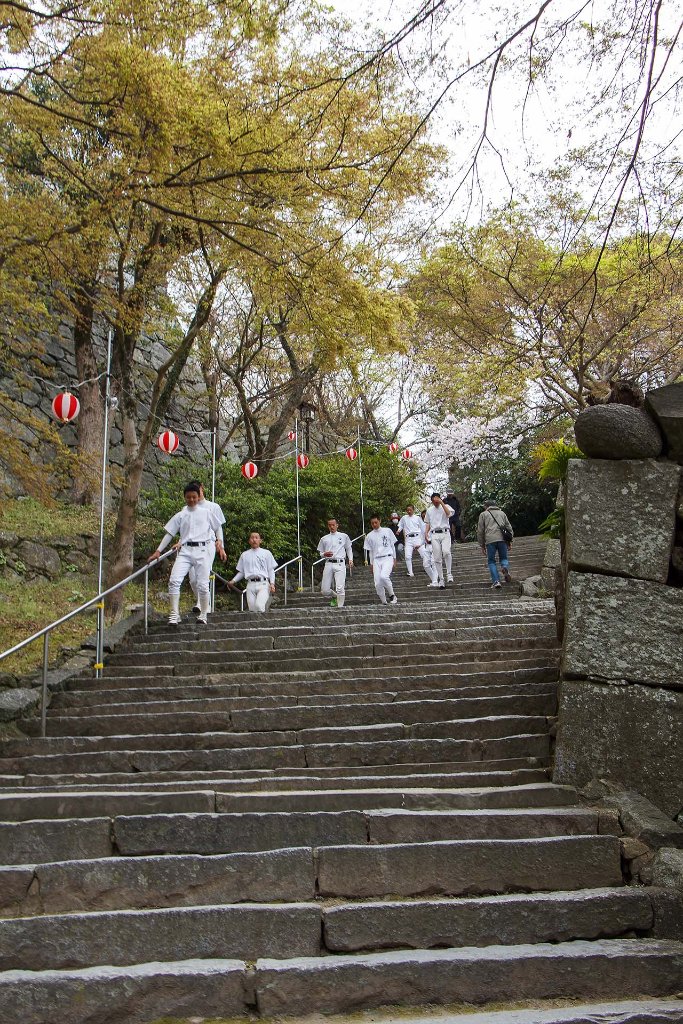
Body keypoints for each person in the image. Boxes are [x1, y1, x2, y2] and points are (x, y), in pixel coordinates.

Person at [147, 482, 223, 626]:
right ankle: (174, 614)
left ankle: (204, 614)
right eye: (188, 497)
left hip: (203, 550)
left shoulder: (207, 512)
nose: (191, 500)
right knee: (174, 580)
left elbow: (217, 527)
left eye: (194, 497)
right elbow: (169, 533)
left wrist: (219, 542)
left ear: (198, 496)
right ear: (185, 497)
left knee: (203, 584)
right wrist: (158, 551)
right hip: (186, 551)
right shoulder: (181, 515)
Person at [185, 479, 227, 616]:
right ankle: (203, 602)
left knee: (203, 574)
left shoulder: (213, 506)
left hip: (208, 543)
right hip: (191, 545)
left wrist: (220, 544)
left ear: (201, 489)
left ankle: (202, 604)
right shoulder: (188, 508)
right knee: (192, 578)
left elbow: (218, 527)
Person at [228, 532, 277, 612]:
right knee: (252, 609)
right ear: (249, 541)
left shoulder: (267, 553)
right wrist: (233, 581)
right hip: (250, 584)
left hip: (263, 583)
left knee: (259, 606)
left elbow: (270, 570)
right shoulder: (244, 555)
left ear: (260, 540)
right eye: (252, 538)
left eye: (256, 538)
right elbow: (242, 572)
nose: (254, 540)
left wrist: (272, 583)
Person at [477, 498, 514, 589]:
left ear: (486, 506)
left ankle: (496, 581)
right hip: (502, 540)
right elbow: (509, 528)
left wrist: (482, 545)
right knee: (504, 558)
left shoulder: (483, 514)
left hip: (490, 541)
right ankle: (504, 567)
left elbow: (480, 531)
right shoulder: (502, 513)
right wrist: (509, 541)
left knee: (491, 561)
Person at [317, 518, 353, 608]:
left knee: (340, 587)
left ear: (337, 525)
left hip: (340, 562)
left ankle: (340, 607)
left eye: (333, 525)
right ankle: (335, 596)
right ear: (327, 526)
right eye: (329, 525)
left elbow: (348, 548)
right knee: (324, 590)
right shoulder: (324, 538)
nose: (331, 527)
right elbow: (321, 553)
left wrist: (351, 559)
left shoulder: (344, 536)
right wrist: (324, 554)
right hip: (328, 563)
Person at [363, 513, 398, 605]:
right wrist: (371, 564)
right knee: (377, 583)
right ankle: (383, 601)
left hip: (387, 557)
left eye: (376, 522)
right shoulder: (369, 536)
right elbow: (370, 551)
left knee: (384, 576)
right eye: (372, 523)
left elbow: (392, 545)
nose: (374, 525)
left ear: (379, 521)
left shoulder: (387, 531)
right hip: (376, 560)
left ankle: (392, 595)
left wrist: (394, 558)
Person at [397, 505, 437, 583]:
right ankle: (410, 572)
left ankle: (428, 568)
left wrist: (425, 536)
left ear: (413, 510)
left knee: (424, 554)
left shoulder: (417, 518)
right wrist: (399, 530)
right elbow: (401, 525)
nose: (409, 511)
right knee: (408, 556)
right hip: (408, 538)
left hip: (417, 537)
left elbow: (423, 527)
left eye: (410, 510)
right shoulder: (404, 518)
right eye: (407, 510)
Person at [424, 492, 454, 587]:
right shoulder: (429, 510)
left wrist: (441, 502)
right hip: (434, 534)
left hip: (445, 532)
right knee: (437, 558)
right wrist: (426, 533)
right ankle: (441, 579)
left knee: (446, 552)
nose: (435, 502)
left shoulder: (446, 506)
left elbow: (449, 514)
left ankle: (449, 574)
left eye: (437, 499)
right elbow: (428, 522)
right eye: (434, 500)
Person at [420, 510, 440, 588]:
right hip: (426, 546)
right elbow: (422, 537)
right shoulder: (422, 526)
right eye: (423, 516)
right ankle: (434, 580)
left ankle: (435, 581)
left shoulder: (435, 523)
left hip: (435, 544)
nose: (425, 517)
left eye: (426, 516)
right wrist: (419, 544)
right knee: (425, 565)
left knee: (434, 563)